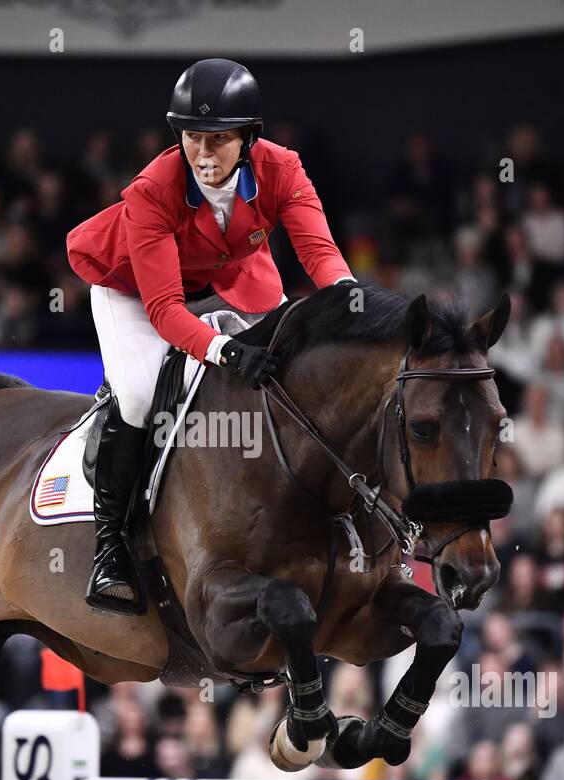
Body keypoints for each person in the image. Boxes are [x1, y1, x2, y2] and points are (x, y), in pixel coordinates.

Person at [65, 58, 355, 613]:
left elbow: (320, 256)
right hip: (134, 289)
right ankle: (110, 547)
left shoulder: (283, 169)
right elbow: (166, 309)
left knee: (294, 374)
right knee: (142, 394)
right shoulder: (153, 190)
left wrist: (354, 305)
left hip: (231, 278)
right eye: (193, 137)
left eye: (219, 140)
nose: (203, 153)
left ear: (248, 138)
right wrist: (226, 351)